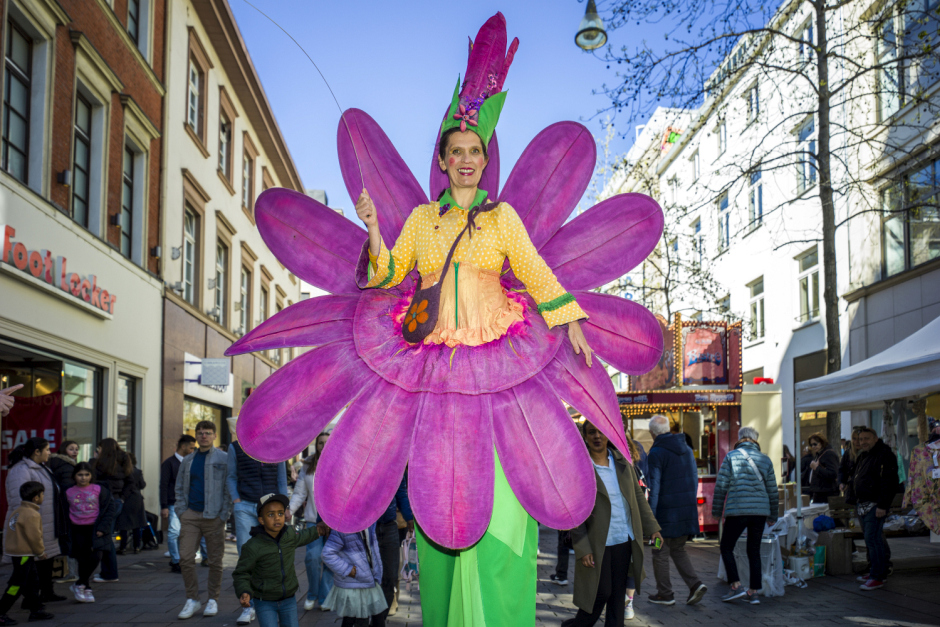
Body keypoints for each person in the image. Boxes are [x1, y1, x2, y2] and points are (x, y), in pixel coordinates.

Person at [565, 421, 662, 627]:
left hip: (623, 538)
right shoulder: (580, 467)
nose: (597, 436)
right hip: (597, 541)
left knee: (618, 597)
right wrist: (582, 547)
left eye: (600, 432)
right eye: (591, 432)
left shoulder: (622, 461)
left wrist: (653, 528)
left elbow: (637, 497)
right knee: (601, 592)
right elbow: (574, 512)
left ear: (608, 435)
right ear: (585, 437)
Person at [232, 494, 322, 627]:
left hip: (288, 599)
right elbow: (241, 573)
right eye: (270, 514)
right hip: (264, 601)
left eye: (280, 513)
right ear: (261, 520)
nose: (277, 518)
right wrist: (244, 591)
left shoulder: (289, 535)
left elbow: (304, 536)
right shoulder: (253, 546)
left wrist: (319, 530)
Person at [712, 426, 778, 605]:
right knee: (754, 550)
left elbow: (721, 486)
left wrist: (717, 512)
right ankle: (754, 592)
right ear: (755, 439)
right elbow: (772, 490)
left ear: (740, 438)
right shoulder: (765, 459)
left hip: (737, 509)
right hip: (760, 512)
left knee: (726, 547)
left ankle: (736, 585)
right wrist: (773, 515)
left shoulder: (731, 457)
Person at [645, 415, 707, 607]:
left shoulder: (656, 453)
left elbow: (654, 488)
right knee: (678, 549)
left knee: (658, 552)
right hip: (685, 513)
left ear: (652, 433)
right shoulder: (686, 449)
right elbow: (694, 480)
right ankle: (695, 584)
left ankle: (665, 593)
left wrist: (651, 520)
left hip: (663, 516)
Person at [175, 421, 232, 619]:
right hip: (190, 515)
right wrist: (181, 511)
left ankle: (213, 599)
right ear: (196, 436)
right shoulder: (188, 460)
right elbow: (179, 487)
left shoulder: (224, 458)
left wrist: (223, 514)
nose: (204, 436)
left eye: (208, 433)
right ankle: (192, 599)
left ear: (214, 435)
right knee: (185, 558)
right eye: (200, 433)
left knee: (215, 561)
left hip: (214, 516)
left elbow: (229, 487)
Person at [5, 438, 66, 603]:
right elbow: (19, 501)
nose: (50, 453)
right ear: (37, 452)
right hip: (30, 526)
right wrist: (30, 520)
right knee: (26, 570)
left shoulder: (43, 468)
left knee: (45, 562)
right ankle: (25, 602)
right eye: (47, 449)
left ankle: (45, 593)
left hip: (46, 523)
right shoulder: (21, 470)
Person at [847, 426, 899, 591]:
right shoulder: (864, 455)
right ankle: (875, 571)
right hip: (862, 504)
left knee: (873, 539)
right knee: (871, 540)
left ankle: (878, 576)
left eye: (866, 439)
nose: (863, 442)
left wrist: (883, 505)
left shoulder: (884, 455)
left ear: (875, 439)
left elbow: (889, 482)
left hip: (875, 505)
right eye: (861, 439)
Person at [288, 432, 333, 611]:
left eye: (327, 442)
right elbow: (300, 492)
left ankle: (325, 596)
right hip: (314, 519)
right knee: (312, 557)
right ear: (316, 445)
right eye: (321, 443)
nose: (324, 445)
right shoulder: (308, 465)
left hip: (335, 522)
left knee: (330, 559)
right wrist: (289, 510)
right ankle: (312, 593)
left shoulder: (340, 461)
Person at [0, 481, 54, 624]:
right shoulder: (32, 514)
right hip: (24, 554)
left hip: (17, 553)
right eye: (42, 494)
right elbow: (34, 537)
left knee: (32, 582)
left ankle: (36, 610)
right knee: (16, 585)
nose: (43, 497)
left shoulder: (18, 511)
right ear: (36, 497)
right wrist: (40, 552)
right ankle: (1, 611)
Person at [64, 462, 118, 603]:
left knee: (97, 556)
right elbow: (62, 511)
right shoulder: (68, 491)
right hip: (77, 529)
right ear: (74, 476)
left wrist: (103, 528)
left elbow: (109, 509)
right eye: (80, 475)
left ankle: (79, 583)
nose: (83, 478)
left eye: (86, 475)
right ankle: (86, 587)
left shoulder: (99, 489)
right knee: (82, 559)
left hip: (95, 529)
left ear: (91, 476)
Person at [321, 523, 387, 627]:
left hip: (370, 580)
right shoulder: (341, 529)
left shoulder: (369, 525)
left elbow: (374, 550)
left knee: (378, 616)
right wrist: (347, 569)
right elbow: (327, 554)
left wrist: (378, 572)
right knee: (350, 618)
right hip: (353, 584)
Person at [374, 475, 413, 627]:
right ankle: (370, 621)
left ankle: (379, 620)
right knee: (370, 578)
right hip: (368, 526)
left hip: (390, 526)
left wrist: (409, 518)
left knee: (390, 578)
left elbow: (401, 494)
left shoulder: (396, 465)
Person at [91, 438, 132, 583]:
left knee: (105, 538)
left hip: (106, 502)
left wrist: (94, 460)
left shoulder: (102, 464)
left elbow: (95, 479)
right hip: (117, 501)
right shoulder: (123, 461)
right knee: (106, 536)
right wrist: (122, 498)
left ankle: (110, 573)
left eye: (99, 448)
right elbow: (131, 483)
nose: (98, 450)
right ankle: (108, 572)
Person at [161, 434, 196, 573]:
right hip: (173, 503)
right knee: (174, 531)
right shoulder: (169, 463)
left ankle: (181, 559)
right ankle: (175, 560)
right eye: (191, 448)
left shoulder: (191, 462)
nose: (193, 450)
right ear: (183, 446)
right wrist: (164, 505)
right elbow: (163, 485)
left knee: (184, 532)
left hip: (189, 504)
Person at [116, 453, 147, 555]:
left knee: (124, 524)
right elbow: (142, 485)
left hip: (125, 498)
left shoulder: (121, 471)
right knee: (136, 524)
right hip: (137, 498)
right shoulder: (137, 471)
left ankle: (123, 547)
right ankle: (136, 547)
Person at [801, 432, 840, 504]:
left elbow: (833, 473)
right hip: (819, 492)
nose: (813, 446)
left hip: (826, 493)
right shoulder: (819, 454)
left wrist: (816, 468)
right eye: (811, 445)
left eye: (815, 444)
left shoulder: (829, 454)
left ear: (821, 443)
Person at [839, 428, 861, 492]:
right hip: (849, 490)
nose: (857, 441)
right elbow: (842, 469)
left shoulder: (867, 454)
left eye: (859, 439)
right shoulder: (848, 453)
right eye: (854, 439)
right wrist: (841, 482)